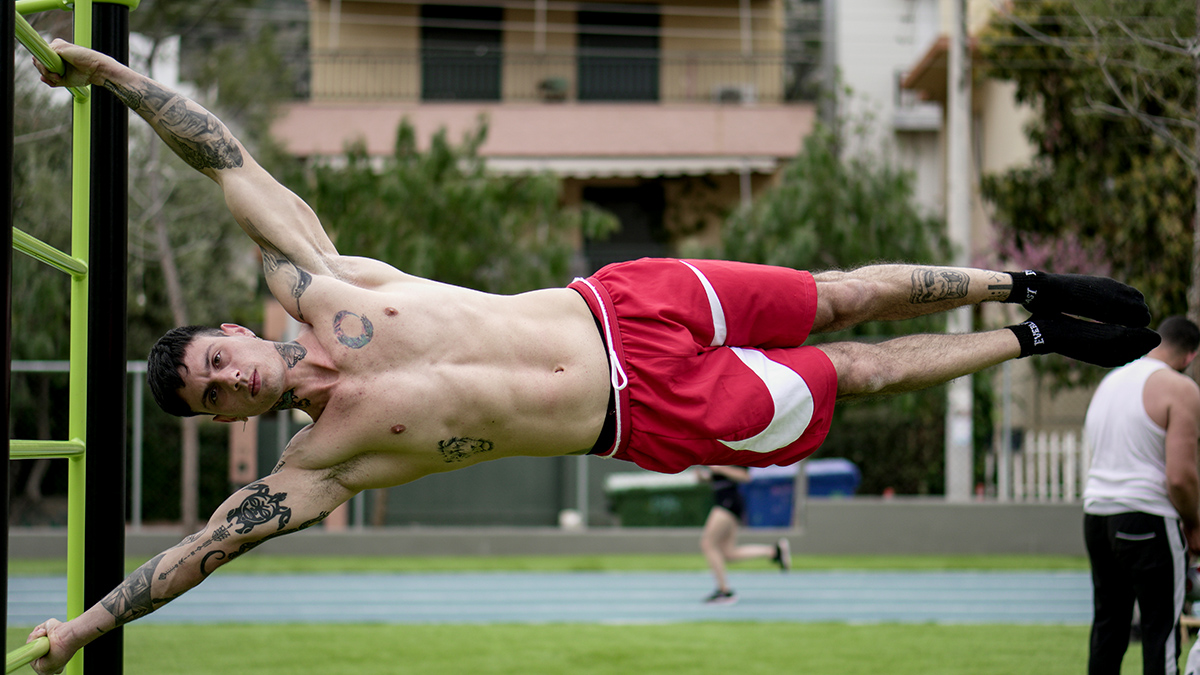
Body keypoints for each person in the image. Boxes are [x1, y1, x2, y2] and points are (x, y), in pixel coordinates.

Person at [26, 39, 1161, 674]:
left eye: (214, 360)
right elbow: (196, 557)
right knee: (852, 373)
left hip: (622, 299)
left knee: (837, 294)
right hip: (649, 412)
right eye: (210, 398)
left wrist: (108, 76)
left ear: (234, 335)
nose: (226, 379)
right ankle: (1033, 338)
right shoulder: (324, 464)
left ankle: (1025, 283)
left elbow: (221, 157)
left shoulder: (320, 280)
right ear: (229, 420)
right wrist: (78, 630)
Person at [1083, 316, 1200, 675]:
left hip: (1098, 517)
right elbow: (1180, 477)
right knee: (1160, 631)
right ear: (1190, 356)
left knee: (1109, 628)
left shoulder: (1111, 380)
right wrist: (1194, 523)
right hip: (1146, 516)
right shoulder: (1179, 388)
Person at [698, 465, 790, 604]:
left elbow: (745, 476)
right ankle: (774, 551)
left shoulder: (733, 452)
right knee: (728, 553)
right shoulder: (714, 453)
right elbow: (711, 478)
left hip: (728, 502)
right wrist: (703, 475)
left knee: (708, 543)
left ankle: (724, 591)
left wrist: (720, 468)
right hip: (723, 501)